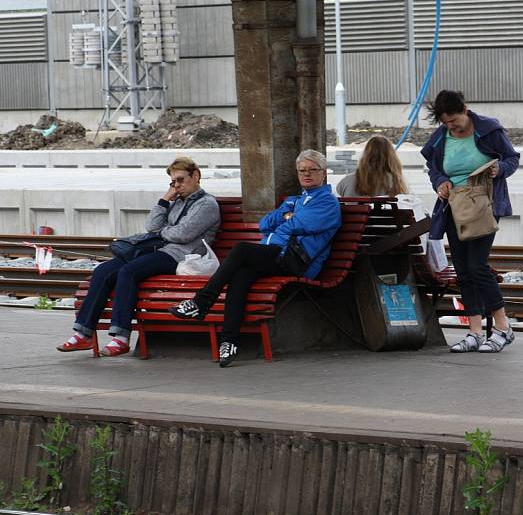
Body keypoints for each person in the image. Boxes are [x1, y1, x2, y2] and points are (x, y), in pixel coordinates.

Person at [169, 149, 342, 368]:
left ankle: (201, 302)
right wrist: (288, 216)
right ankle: (229, 341)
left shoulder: (326, 203)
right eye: (302, 170)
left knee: (241, 249)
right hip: (276, 255)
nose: (306, 174)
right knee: (240, 276)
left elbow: (296, 226)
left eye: (312, 170)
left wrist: (288, 219)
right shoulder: (295, 201)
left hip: (297, 261)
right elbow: (265, 224)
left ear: (323, 173)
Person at [57, 156, 220, 357]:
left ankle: (121, 337)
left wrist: (163, 231)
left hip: (182, 256)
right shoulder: (176, 201)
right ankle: (84, 334)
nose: (177, 186)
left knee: (129, 272)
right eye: (172, 182)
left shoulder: (207, 204)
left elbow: (183, 235)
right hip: (157, 250)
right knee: (102, 271)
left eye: (180, 180)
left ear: (195, 176)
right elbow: (151, 226)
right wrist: (165, 198)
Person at [422, 90, 519, 353]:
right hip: (454, 205)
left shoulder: (489, 130)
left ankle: (502, 326)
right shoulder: (441, 137)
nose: (451, 126)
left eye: (454, 120)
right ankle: (475, 331)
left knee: (477, 265)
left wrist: (500, 169)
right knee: (463, 269)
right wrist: (440, 182)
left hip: (484, 204)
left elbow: (512, 158)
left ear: (465, 110)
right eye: (445, 123)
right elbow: (434, 168)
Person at [336, 135, 409, 197]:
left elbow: (339, 192)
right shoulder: (396, 183)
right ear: (392, 158)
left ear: (365, 156)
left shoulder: (347, 181)